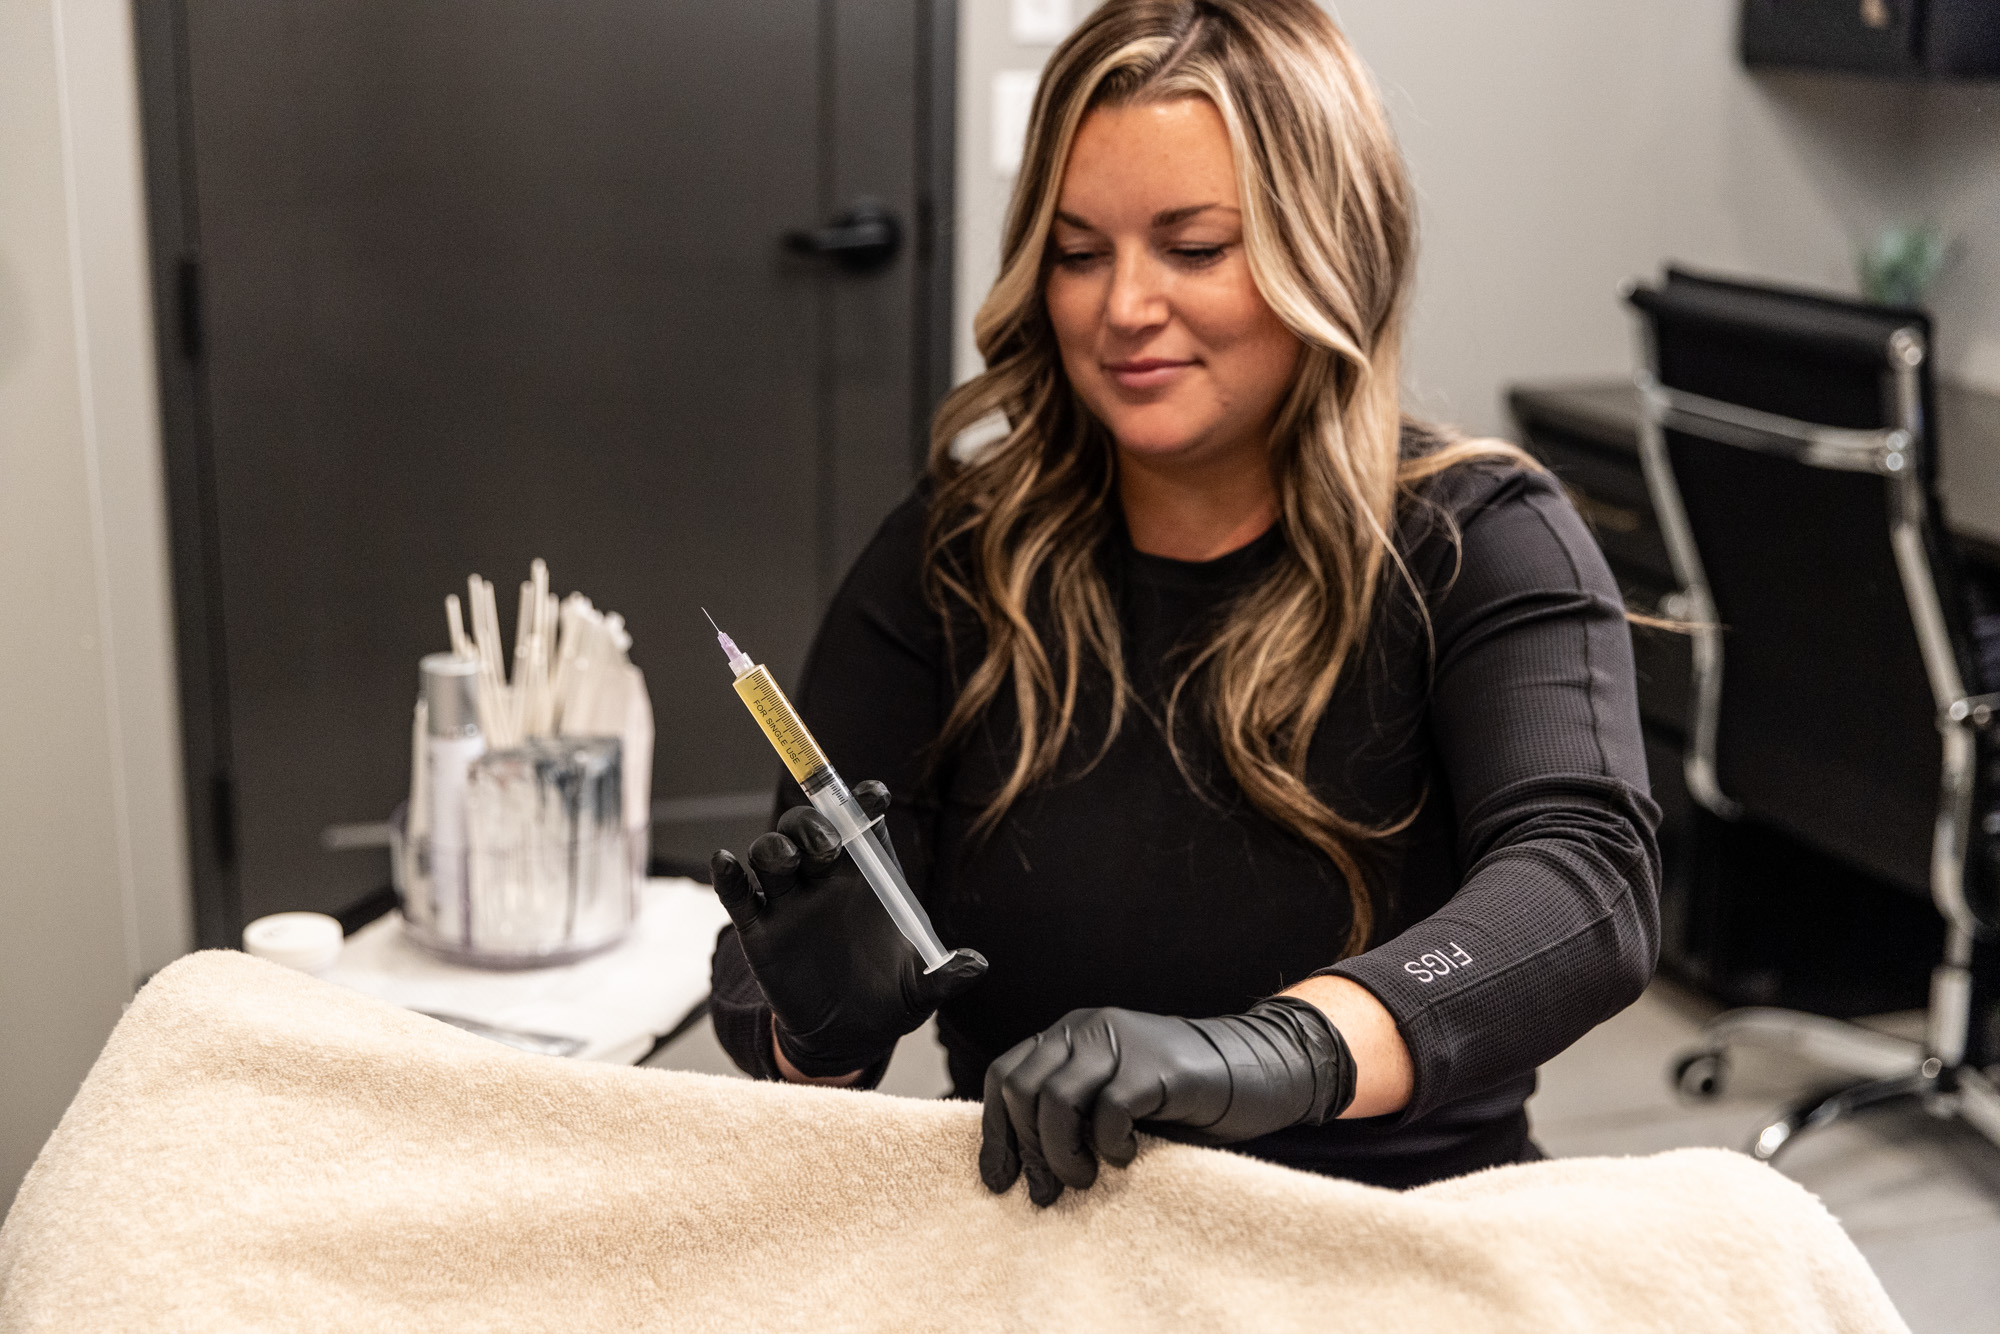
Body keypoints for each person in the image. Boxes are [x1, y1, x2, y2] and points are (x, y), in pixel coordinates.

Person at [707, 0, 1659, 1203]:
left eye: (1193, 247)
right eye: (1077, 250)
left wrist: (1277, 1051)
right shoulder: (955, 554)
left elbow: (1586, 885)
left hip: (1395, 1234)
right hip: (1047, 1240)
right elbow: (764, 953)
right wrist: (812, 1027)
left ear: (1330, 249)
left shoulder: (1480, 538)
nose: (1121, 308)